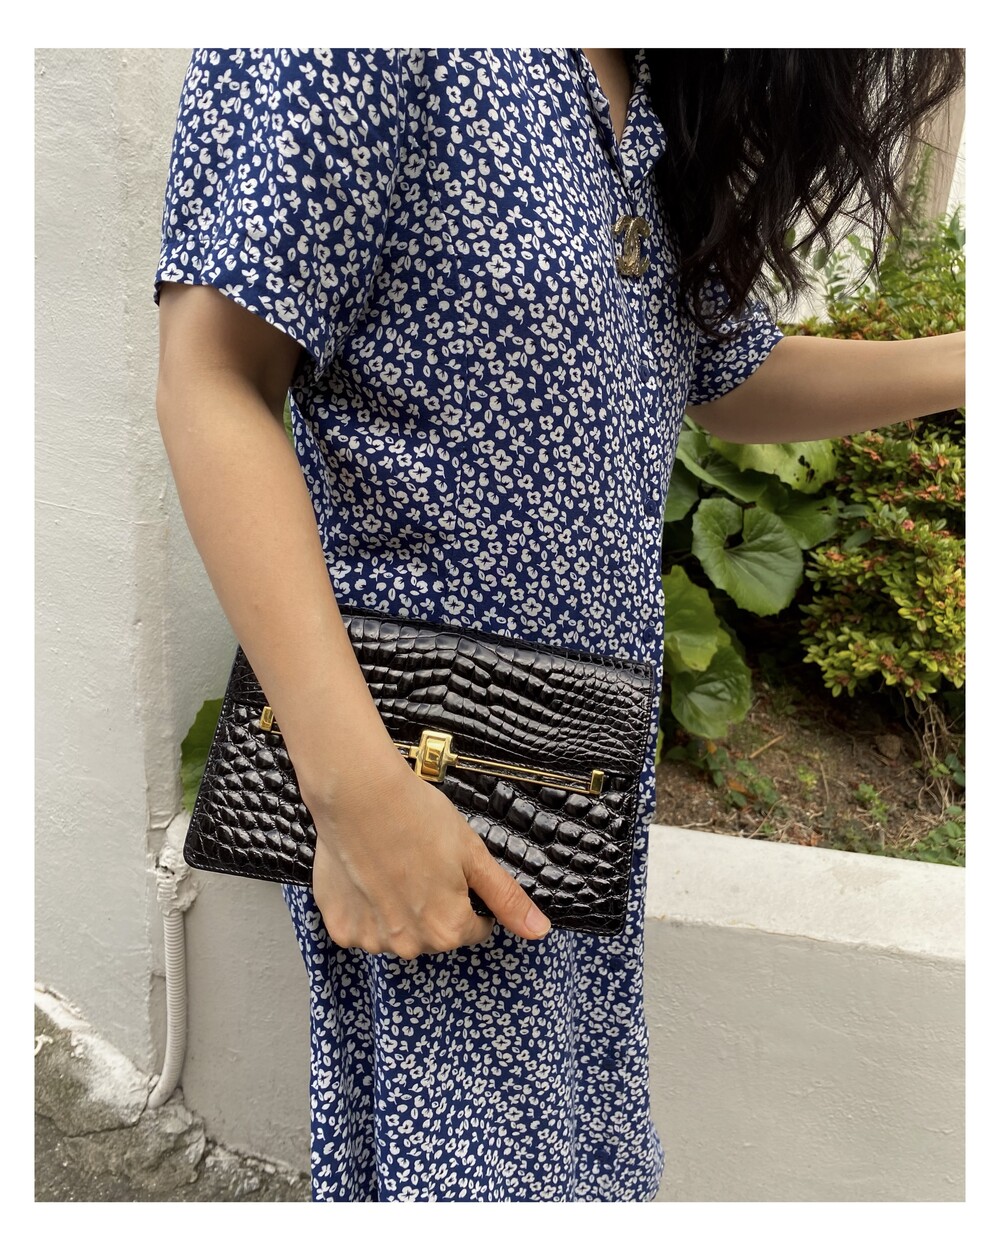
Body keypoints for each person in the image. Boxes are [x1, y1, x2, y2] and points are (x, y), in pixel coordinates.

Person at [153, 48, 965, 1202]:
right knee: (472, 1174)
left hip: (579, 769)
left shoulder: (662, 87)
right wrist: (359, 790)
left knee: (560, 1161)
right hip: (428, 767)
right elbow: (211, 374)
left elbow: (719, 374)